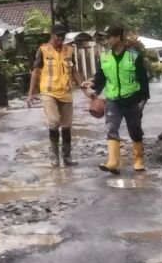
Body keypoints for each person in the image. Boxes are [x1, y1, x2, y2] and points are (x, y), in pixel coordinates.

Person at [82, 25, 150, 175]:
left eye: (109, 37)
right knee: (111, 128)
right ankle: (113, 162)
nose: (106, 41)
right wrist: (92, 84)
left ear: (118, 37)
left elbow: (143, 81)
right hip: (112, 100)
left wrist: (143, 101)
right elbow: (101, 77)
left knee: (135, 130)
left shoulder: (134, 56)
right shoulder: (104, 57)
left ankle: (138, 160)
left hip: (132, 98)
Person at [27, 25, 77, 167]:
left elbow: (74, 71)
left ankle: (67, 157)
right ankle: (54, 156)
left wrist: (86, 88)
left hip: (66, 92)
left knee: (67, 126)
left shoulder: (69, 50)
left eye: (62, 37)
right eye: (57, 37)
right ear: (51, 35)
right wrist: (30, 93)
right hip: (48, 92)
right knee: (54, 122)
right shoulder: (43, 50)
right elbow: (36, 71)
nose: (60, 40)